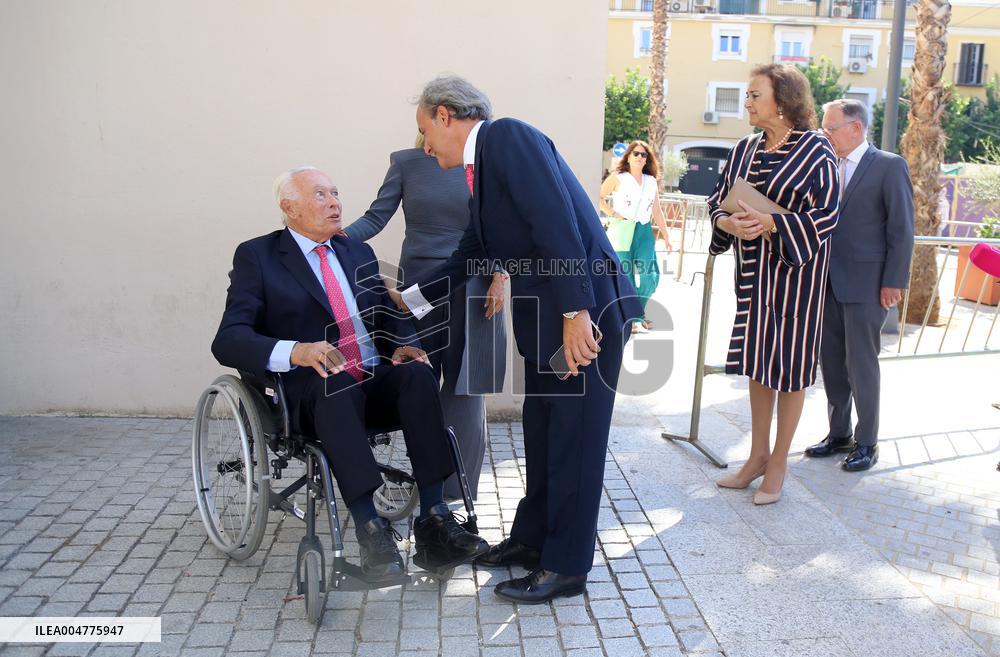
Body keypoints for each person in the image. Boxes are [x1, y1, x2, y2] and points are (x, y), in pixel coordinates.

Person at [392, 76, 642, 604]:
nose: (423, 145)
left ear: (444, 115)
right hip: (549, 322)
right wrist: (410, 300)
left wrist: (576, 312)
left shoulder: (508, 137)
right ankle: (531, 541)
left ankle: (566, 567)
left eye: (423, 131)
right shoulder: (484, 172)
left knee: (574, 442)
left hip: (582, 317)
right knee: (545, 434)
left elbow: (556, 223)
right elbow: (472, 254)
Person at [211, 167, 489, 582]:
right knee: (334, 379)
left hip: (370, 379)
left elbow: (386, 315)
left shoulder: (356, 252)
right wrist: (297, 351)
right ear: (289, 207)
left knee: (417, 375)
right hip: (309, 394)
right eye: (320, 195)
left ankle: (434, 518)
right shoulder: (258, 256)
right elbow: (229, 339)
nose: (335, 202)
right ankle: (371, 529)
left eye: (336, 193)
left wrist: (402, 344)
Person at [345, 137, 507, 501]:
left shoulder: (479, 163)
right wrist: (337, 237)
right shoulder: (404, 162)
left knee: (468, 385)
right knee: (419, 375)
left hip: (476, 284)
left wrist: (500, 274)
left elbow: (496, 224)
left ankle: (455, 489)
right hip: (420, 287)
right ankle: (429, 476)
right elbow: (376, 216)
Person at [708, 64, 840, 504]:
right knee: (759, 366)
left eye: (754, 95)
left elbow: (826, 216)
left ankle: (779, 461)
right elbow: (716, 202)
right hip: (754, 279)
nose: (746, 103)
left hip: (797, 279)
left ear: (783, 101)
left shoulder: (816, 149)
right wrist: (729, 220)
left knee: (789, 371)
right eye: (746, 95)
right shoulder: (744, 149)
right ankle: (756, 455)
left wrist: (773, 222)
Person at [805, 99, 915, 471]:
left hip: (868, 286)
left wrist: (893, 282)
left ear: (855, 128)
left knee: (861, 364)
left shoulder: (889, 166)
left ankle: (867, 441)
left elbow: (902, 230)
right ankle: (839, 435)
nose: (825, 134)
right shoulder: (827, 167)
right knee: (832, 364)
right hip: (826, 283)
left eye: (830, 128)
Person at [599, 140, 673, 332]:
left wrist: (666, 235)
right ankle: (634, 319)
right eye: (636, 154)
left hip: (644, 230)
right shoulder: (618, 177)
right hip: (622, 229)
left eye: (644, 155)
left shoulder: (650, 181)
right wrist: (614, 214)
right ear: (629, 156)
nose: (640, 157)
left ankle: (635, 313)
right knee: (626, 276)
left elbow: (656, 210)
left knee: (650, 275)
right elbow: (599, 197)